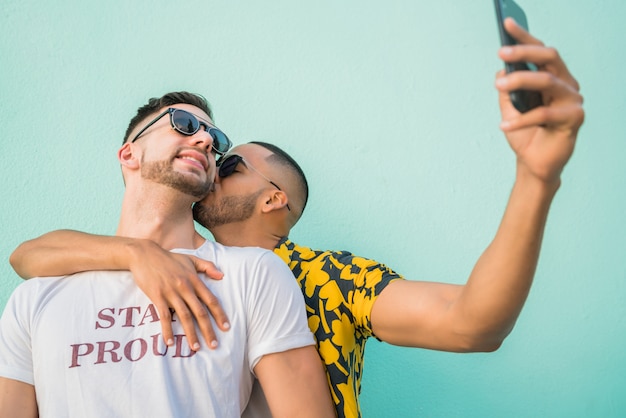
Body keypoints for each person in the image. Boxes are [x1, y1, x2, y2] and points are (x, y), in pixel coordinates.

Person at [8, 19, 584, 418]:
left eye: (226, 155)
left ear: (273, 199)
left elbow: (471, 321)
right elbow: (28, 257)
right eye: (194, 133)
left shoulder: (323, 278)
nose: (208, 146)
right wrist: (136, 253)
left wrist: (537, 179)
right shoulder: (75, 286)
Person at [0, 92, 335, 418]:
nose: (205, 140)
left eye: (215, 139)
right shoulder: (35, 298)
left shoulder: (253, 274)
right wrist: (136, 253)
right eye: (185, 123)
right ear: (129, 154)